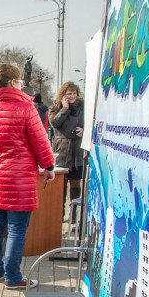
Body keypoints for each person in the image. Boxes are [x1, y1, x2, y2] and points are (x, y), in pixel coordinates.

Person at [0, 64, 55, 289]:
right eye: (20, 81)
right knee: (17, 230)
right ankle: (12, 277)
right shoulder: (26, 109)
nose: (22, 85)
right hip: (19, 179)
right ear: (12, 83)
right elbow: (40, 141)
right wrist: (48, 166)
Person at [49, 82, 85, 221]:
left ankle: (73, 216)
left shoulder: (82, 107)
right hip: (62, 150)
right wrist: (65, 109)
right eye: (69, 94)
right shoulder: (56, 107)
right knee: (61, 184)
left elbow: (89, 122)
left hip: (77, 150)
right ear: (63, 95)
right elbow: (54, 123)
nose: (72, 96)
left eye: (74, 93)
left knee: (75, 184)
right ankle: (60, 215)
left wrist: (84, 130)